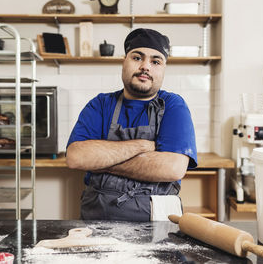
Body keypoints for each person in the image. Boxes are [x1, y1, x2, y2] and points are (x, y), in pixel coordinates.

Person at [65, 28, 197, 221]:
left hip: (158, 222)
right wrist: (142, 146)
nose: (145, 66)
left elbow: (173, 168)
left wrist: (103, 162)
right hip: (97, 220)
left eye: (155, 61)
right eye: (137, 58)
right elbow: (76, 157)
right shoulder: (100, 104)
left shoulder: (173, 106)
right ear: (123, 62)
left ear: (163, 69)